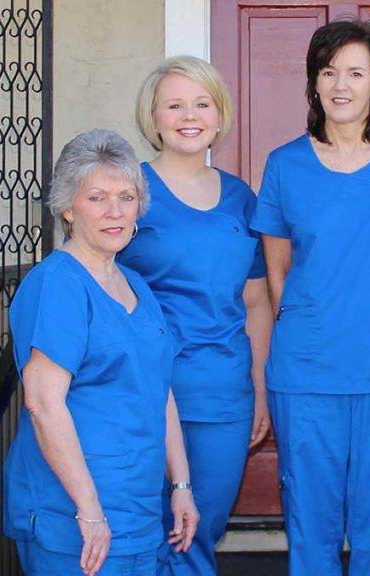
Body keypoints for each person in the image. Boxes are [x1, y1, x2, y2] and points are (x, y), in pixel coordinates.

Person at [250, 19, 370, 576]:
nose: (341, 84)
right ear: (314, 84)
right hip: (306, 371)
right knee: (310, 528)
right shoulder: (285, 164)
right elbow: (277, 276)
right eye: (328, 72)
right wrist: (319, 325)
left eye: (355, 73)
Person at [4, 129, 199, 575]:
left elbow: (159, 387)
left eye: (126, 197)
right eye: (97, 198)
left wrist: (181, 484)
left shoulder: (137, 287)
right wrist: (89, 510)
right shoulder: (58, 284)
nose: (115, 212)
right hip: (73, 519)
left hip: (139, 514)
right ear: (68, 208)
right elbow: (43, 403)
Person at [117, 56, 273, 576]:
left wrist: (259, 389)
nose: (190, 115)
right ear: (153, 117)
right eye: (175, 104)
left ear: (219, 114)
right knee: (141, 529)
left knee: (198, 531)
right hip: (141, 391)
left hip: (222, 393)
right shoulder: (127, 194)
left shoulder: (241, 199)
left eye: (202, 103)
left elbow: (255, 302)